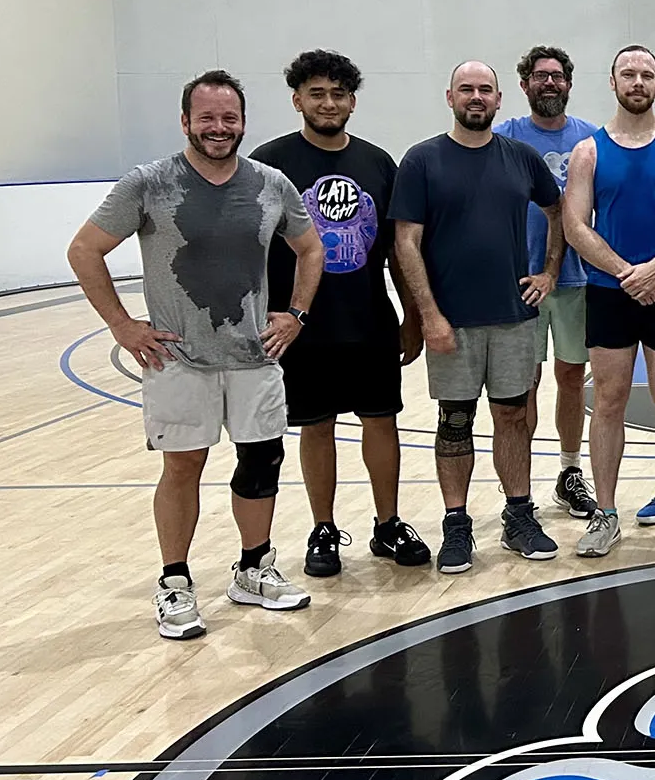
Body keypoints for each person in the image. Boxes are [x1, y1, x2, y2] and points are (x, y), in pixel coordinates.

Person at [68, 70, 324, 640]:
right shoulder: (149, 184)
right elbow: (84, 250)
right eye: (206, 118)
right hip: (178, 359)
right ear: (185, 121)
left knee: (262, 463)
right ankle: (176, 582)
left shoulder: (269, 183)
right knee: (183, 466)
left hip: (255, 357)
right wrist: (123, 325)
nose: (218, 128)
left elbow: (310, 248)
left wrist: (295, 314)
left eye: (228, 118)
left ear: (243, 122)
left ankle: (254, 569)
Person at [251, 50, 431, 578]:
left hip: (369, 319)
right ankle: (323, 528)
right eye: (317, 93)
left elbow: (400, 249)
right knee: (316, 426)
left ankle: (388, 523)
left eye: (338, 94)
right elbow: (253, 246)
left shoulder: (378, 163)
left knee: (382, 423)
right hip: (300, 325)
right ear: (297, 99)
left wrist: (413, 315)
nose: (328, 103)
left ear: (352, 101)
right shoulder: (269, 163)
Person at [391, 61, 564, 575]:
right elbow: (405, 241)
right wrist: (428, 315)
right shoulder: (422, 160)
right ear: (449, 97)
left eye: (484, 89)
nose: (476, 97)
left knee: (514, 418)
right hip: (452, 324)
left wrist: (550, 271)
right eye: (466, 89)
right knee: (455, 422)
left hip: (514, 318)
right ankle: (457, 523)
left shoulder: (521, 158)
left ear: (498, 99)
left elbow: (558, 213)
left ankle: (518, 515)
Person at [564, 45, 655, 557]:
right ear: (612, 82)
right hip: (612, 293)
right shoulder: (588, 152)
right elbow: (575, 226)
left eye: (647, 74)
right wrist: (628, 272)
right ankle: (604, 515)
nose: (637, 81)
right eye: (628, 73)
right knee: (608, 402)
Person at [495, 45, 599, 523]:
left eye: (557, 76)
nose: (549, 83)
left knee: (572, 376)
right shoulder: (504, 137)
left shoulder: (590, 139)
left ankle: (570, 471)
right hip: (520, 282)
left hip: (577, 278)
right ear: (525, 85)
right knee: (525, 383)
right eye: (540, 76)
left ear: (569, 84)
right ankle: (523, 484)